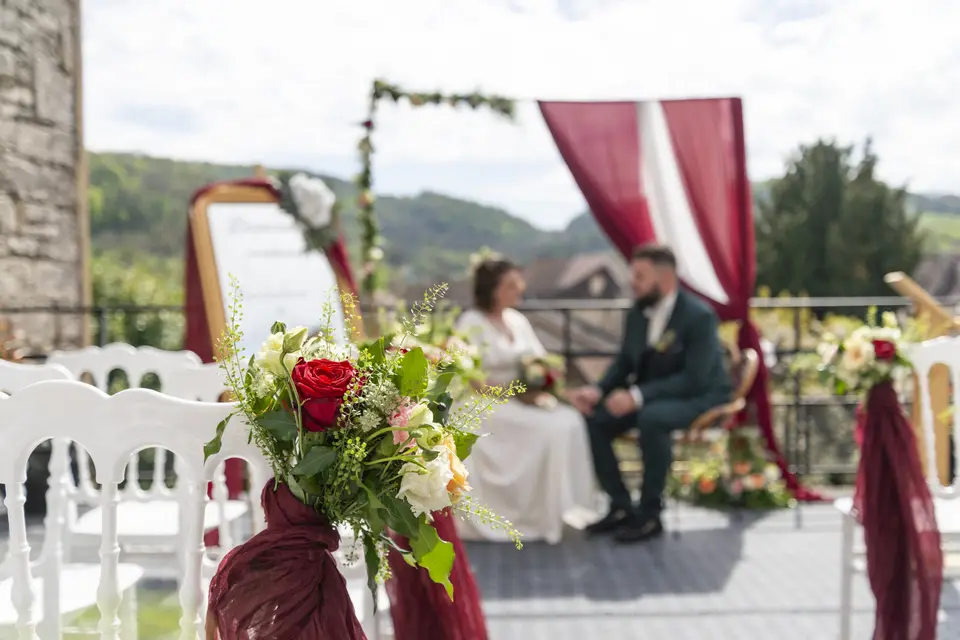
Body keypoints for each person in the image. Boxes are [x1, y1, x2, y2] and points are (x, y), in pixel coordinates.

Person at [568, 244, 731, 543]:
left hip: (700, 397)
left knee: (651, 419)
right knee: (595, 419)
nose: (633, 282)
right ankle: (620, 505)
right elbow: (624, 362)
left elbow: (694, 378)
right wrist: (598, 390)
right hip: (652, 397)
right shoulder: (637, 313)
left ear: (665, 278)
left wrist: (637, 396)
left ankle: (650, 514)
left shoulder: (699, 317)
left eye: (640, 276)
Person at [454, 257, 597, 544]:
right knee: (549, 429)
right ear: (492, 289)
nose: (519, 288)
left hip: (522, 398)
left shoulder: (517, 321)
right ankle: (526, 513)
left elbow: (545, 366)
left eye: (518, 282)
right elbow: (474, 380)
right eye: (510, 284)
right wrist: (517, 393)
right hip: (484, 402)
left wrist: (563, 394)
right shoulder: (471, 322)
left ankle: (558, 509)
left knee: (569, 420)